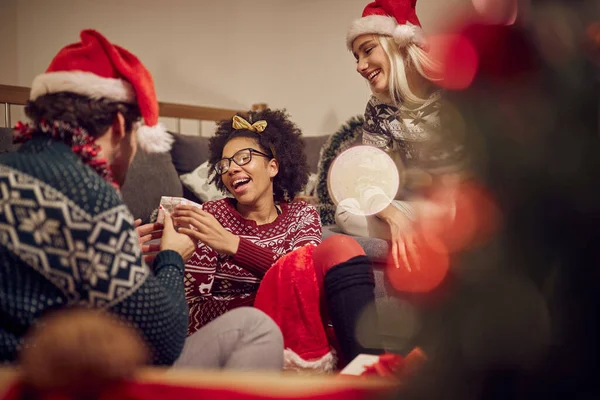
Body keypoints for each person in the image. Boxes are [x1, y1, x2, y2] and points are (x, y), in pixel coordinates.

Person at [0, 29, 283, 371]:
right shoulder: (90, 195)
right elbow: (162, 341)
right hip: (52, 377)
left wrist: (119, 253)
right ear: (120, 126)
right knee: (255, 329)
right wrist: (171, 257)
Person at [172, 109, 379, 370]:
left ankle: (372, 370)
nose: (232, 168)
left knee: (341, 247)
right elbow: (191, 307)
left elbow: (305, 279)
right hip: (244, 335)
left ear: (273, 166)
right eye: (224, 164)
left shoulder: (301, 214)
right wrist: (257, 303)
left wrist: (233, 245)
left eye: (243, 158)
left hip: (299, 324)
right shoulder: (213, 216)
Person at [337, 0, 469, 270]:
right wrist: (394, 216)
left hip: (466, 206)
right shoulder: (378, 108)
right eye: (356, 57)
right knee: (346, 211)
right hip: (420, 210)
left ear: (398, 44)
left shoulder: (454, 92)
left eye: (368, 50)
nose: (360, 66)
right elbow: (368, 177)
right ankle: (431, 237)